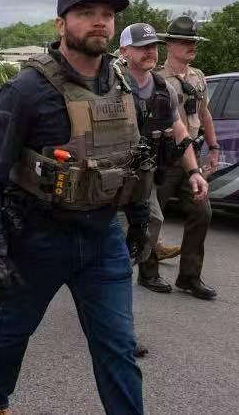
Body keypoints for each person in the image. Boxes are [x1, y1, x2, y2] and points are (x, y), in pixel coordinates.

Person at [0, 0, 149, 414]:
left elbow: (133, 157)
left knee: (118, 347)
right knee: (13, 333)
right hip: (39, 240)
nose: (99, 22)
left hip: (103, 238)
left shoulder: (121, 85)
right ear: (61, 24)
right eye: (86, 13)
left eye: (107, 15)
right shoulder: (27, 89)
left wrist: (140, 217)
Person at [117, 23, 209, 357]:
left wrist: (194, 170)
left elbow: (179, 130)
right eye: (142, 46)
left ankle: (108, 291)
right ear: (124, 51)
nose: (149, 52)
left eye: (153, 46)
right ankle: (119, 326)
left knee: (146, 231)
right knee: (117, 246)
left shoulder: (162, 88)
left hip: (144, 178)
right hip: (110, 180)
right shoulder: (111, 84)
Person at [138, 16, 219, 300]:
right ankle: (148, 271)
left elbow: (204, 114)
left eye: (194, 42)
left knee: (202, 212)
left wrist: (214, 147)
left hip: (191, 155)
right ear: (170, 45)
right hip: (164, 154)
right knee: (153, 215)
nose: (191, 46)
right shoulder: (157, 78)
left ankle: (190, 277)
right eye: (185, 41)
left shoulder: (197, 76)